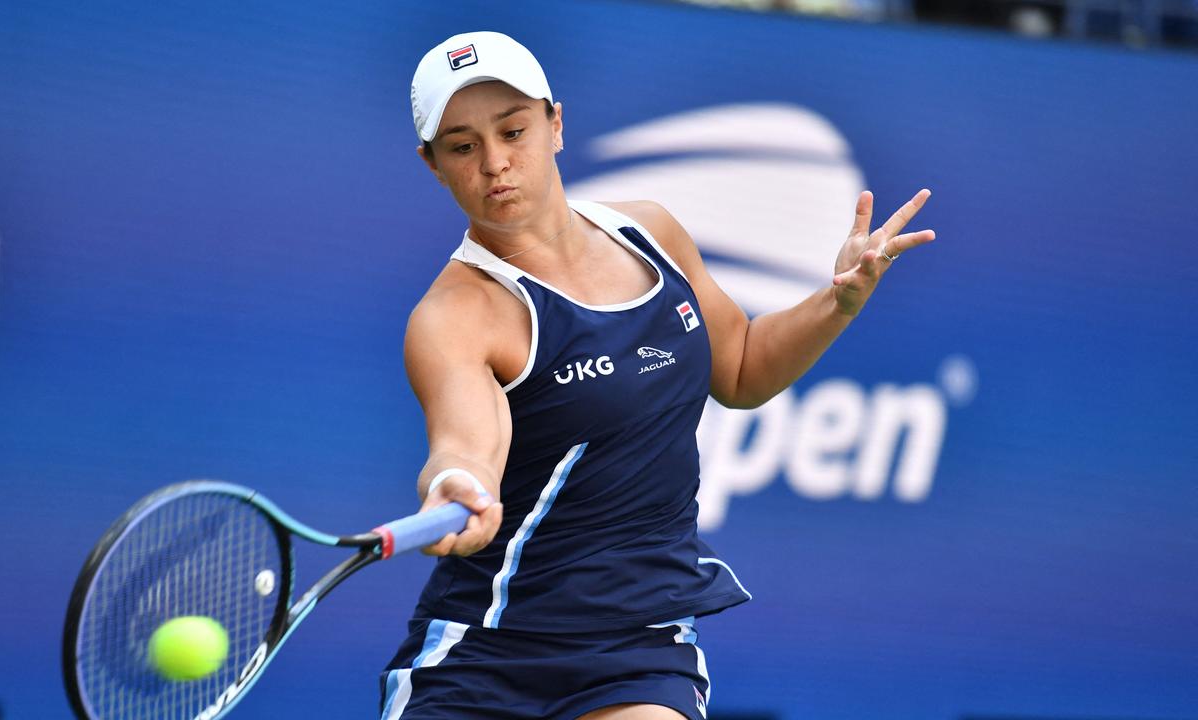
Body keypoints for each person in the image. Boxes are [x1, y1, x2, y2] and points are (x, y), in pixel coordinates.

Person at [380, 31, 935, 720]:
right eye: (463, 147)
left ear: (556, 123)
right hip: (483, 656)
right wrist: (454, 486)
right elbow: (466, 445)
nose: (496, 163)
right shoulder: (454, 316)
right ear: (432, 164)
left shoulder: (651, 233)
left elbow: (741, 368)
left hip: (637, 647)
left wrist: (839, 300)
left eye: (514, 130)